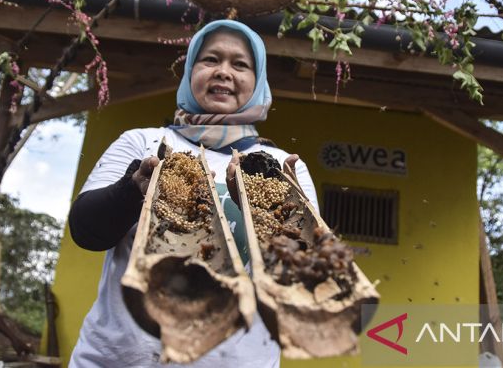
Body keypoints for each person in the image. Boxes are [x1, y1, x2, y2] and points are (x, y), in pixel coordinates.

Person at [68, 19, 319, 368]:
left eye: (240, 64)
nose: (223, 72)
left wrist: (275, 213)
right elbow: (86, 231)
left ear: (258, 81)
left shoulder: (280, 167)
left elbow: (301, 283)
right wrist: (133, 188)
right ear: (190, 72)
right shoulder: (143, 143)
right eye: (210, 60)